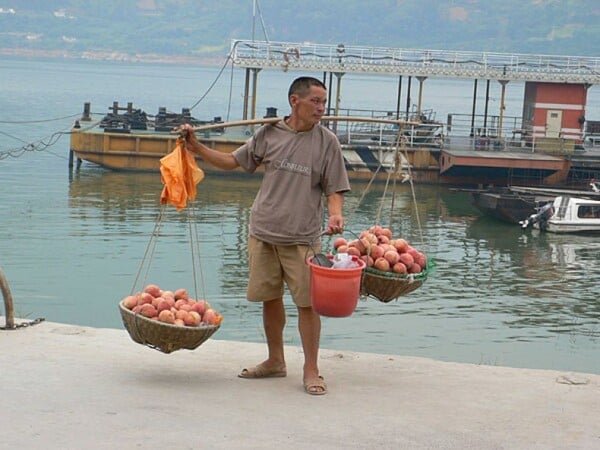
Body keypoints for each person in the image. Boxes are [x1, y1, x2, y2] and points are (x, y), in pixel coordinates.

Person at [179, 76, 350, 395]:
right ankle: (275, 360)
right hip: (263, 231)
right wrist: (196, 147)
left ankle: (311, 368)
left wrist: (336, 213)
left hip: (302, 237)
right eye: (315, 101)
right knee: (269, 299)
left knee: (307, 305)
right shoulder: (269, 133)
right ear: (294, 101)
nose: (321, 108)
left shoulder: (327, 142)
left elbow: (335, 188)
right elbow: (233, 162)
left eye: (324, 102)